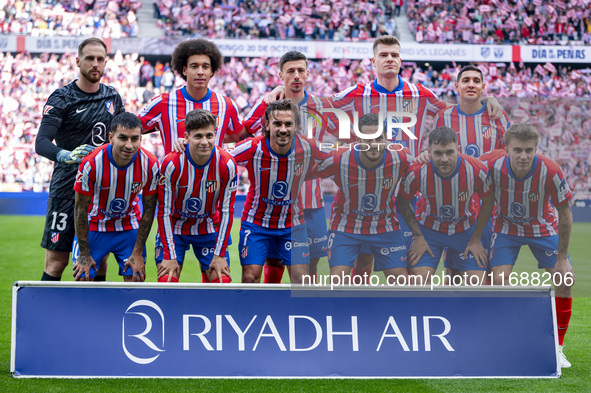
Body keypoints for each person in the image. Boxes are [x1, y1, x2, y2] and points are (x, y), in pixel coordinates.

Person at [468, 124, 575, 369]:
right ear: (506, 149)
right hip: (506, 228)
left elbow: (565, 212)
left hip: (542, 228)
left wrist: (562, 258)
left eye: (529, 150)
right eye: (517, 150)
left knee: (565, 280)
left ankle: (557, 347)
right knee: (498, 281)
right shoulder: (491, 164)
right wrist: (475, 239)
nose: (524, 156)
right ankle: (500, 340)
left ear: (536, 149)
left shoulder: (550, 170)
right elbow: (462, 161)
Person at [35, 37, 124, 281]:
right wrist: (65, 155)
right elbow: (41, 142)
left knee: (99, 261)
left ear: (105, 63)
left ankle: (94, 319)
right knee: (57, 262)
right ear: (77, 61)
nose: (95, 64)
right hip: (66, 190)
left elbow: (125, 136)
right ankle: (44, 316)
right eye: (89, 58)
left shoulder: (113, 97)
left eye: (100, 59)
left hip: (101, 191)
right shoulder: (62, 97)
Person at [243, 51, 333, 283]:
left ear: (308, 74)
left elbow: (338, 144)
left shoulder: (322, 107)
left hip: (311, 203)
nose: (296, 76)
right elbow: (244, 134)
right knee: (273, 263)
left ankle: (302, 312)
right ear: (280, 75)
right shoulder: (267, 105)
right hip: (275, 204)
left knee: (308, 270)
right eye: (290, 71)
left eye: (301, 70)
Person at [231, 99, 329, 284]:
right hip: (256, 224)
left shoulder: (309, 146)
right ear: (267, 125)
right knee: (250, 278)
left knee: (302, 280)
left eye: (288, 124)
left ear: (296, 125)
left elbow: (340, 157)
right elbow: (219, 156)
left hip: (292, 225)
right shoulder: (253, 147)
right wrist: (184, 145)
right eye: (277, 123)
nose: (283, 129)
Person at [432, 64, 511, 279]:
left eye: (476, 81)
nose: (471, 84)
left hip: (488, 200)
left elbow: (509, 153)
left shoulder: (497, 115)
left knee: (482, 266)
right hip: (455, 200)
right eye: (466, 80)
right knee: (453, 268)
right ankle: (453, 312)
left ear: (483, 87)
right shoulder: (444, 116)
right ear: (457, 86)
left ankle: (485, 311)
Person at [312, 113, 411, 281]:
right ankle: (350, 307)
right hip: (346, 226)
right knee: (338, 282)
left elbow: (424, 173)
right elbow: (303, 173)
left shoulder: (402, 157)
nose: (373, 145)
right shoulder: (338, 158)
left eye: (378, 138)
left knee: (401, 281)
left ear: (386, 138)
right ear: (358, 140)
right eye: (367, 139)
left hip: (384, 226)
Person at [397, 126, 492, 283]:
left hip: (465, 229)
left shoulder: (477, 169)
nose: (444, 158)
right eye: (438, 153)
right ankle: (424, 309)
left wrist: (476, 240)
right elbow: (403, 201)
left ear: (458, 149)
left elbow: (488, 203)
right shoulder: (416, 171)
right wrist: (418, 237)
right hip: (429, 231)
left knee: (477, 283)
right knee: (421, 279)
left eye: (449, 152)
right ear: (429, 151)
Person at [72, 112, 159, 281]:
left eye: (135, 139)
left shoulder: (150, 163)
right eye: (123, 138)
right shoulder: (91, 163)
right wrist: (83, 253)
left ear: (141, 138)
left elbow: (149, 210)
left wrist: (138, 252)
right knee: (83, 277)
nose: (129, 145)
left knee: (136, 277)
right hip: (94, 225)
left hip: (127, 226)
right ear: (111, 138)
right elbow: (80, 209)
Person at [156, 109, 237, 283]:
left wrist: (219, 254)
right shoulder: (171, 163)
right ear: (187, 137)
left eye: (209, 135)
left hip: (207, 226)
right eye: (198, 136)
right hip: (176, 227)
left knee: (222, 281)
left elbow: (227, 211)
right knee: (166, 280)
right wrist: (170, 255)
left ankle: (206, 285)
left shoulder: (227, 164)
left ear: (215, 134)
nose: (204, 142)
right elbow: (164, 211)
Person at [140, 39, 247, 154]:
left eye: (205, 67)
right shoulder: (163, 102)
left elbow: (242, 138)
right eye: (194, 66)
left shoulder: (226, 105)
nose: (200, 72)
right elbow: (129, 130)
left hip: (213, 172)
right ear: (185, 70)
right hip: (175, 171)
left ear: (211, 70)